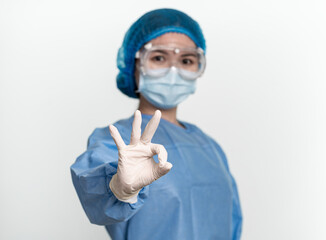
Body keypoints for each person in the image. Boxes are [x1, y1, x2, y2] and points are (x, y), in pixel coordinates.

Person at [71, 8, 242, 240]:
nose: (174, 70)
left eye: (186, 60)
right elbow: (96, 193)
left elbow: (230, 221)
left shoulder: (209, 147)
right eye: (159, 58)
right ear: (135, 65)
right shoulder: (115, 140)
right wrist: (119, 187)